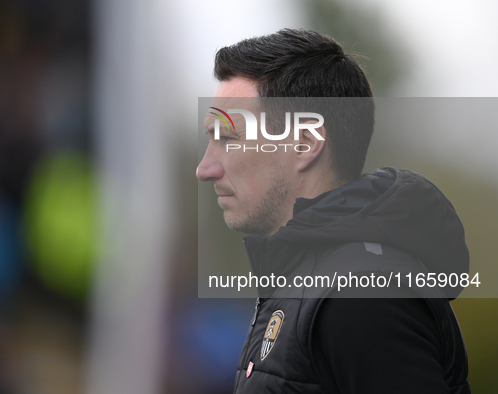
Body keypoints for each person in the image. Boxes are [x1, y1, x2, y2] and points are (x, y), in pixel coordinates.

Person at [196, 29, 471, 394]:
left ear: (305, 143)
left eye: (228, 139)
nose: (205, 168)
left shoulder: (361, 296)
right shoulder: (307, 283)